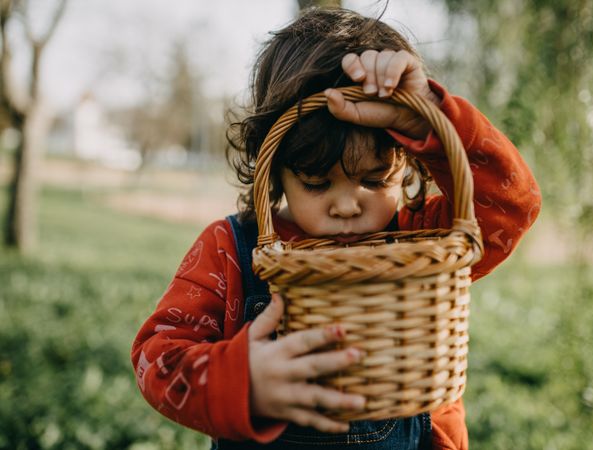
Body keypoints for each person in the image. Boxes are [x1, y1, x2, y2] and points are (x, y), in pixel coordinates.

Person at [131, 7, 540, 450]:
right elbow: (158, 356)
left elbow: (511, 205)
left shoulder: (422, 238)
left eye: (374, 179)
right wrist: (240, 381)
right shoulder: (232, 248)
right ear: (276, 172)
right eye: (315, 182)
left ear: (405, 164)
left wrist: (429, 120)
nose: (347, 205)